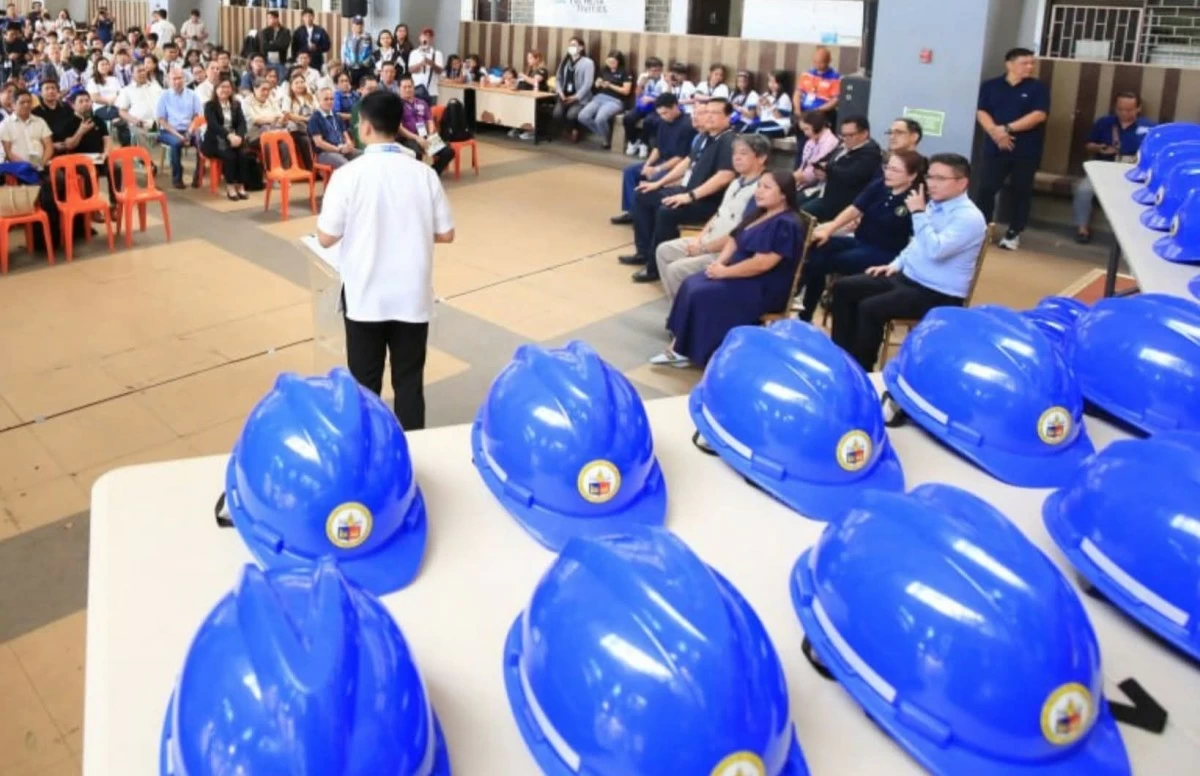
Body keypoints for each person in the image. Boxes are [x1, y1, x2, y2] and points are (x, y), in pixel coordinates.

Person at [316, 89, 455, 430]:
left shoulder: (349, 175)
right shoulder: (423, 174)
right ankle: (413, 454)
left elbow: (325, 236)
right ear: (399, 125)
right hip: (412, 297)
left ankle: (371, 453)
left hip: (365, 297)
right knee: (409, 384)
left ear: (364, 128)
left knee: (365, 387)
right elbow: (447, 233)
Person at [830, 152, 987, 371]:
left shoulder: (968, 217)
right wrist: (895, 265)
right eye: (930, 176)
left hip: (938, 292)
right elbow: (915, 245)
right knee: (844, 288)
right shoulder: (933, 205)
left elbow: (935, 250)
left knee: (870, 308)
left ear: (962, 183)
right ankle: (842, 357)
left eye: (940, 179)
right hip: (908, 277)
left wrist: (919, 213)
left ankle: (862, 369)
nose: (931, 184)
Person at [652, 172, 805, 368]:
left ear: (784, 194)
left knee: (702, 292)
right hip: (741, 272)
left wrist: (725, 273)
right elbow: (735, 237)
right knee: (692, 283)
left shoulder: (786, 224)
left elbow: (762, 264)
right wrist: (721, 263)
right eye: (759, 186)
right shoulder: (761, 213)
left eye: (767, 188)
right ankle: (683, 344)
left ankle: (686, 349)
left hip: (764, 284)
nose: (759, 192)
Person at [796, 150, 925, 321]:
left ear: (912, 175)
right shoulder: (880, 185)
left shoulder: (915, 199)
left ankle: (806, 308)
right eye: (887, 167)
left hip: (885, 251)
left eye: (895, 170)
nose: (888, 173)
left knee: (828, 261)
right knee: (817, 247)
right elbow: (855, 208)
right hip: (860, 240)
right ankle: (805, 308)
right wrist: (830, 228)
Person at [624, 99, 738, 283]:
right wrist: (658, 183)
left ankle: (655, 267)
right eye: (706, 111)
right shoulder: (704, 136)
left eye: (714, 113)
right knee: (644, 194)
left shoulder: (729, 140)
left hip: (707, 201)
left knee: (667, 211)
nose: (708, 116)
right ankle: (643, 252)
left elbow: (725, 176)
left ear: (728, 116)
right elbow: (687, 163)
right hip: (688, 191)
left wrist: (690, 196)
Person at [656, 134, 770, 302]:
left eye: (743, 153)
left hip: (727, 252)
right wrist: (698, 239)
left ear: (761, 158)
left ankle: (685, 313)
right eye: (734, 153)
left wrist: (704, 249)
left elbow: (741, 234)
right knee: (663, 250)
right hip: (709, 240)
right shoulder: (736, 182)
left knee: (675, 270)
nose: (736, 158)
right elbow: (718, 214)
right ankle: (680, 307)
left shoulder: (761, 190)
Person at [973, 47, 1049, 251]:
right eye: (1025, 63)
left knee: (1021, 190)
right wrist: (995, 133)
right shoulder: (991, 86)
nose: (1030, 67)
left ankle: (1014, 232)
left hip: (1026, 149)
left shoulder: (1037, 88)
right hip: (995, 146)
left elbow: (1039, 115)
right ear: (1009, 64)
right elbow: (982, 111)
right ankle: (983, 229)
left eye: (1032, 63)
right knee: (986, 188)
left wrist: (1006, 129)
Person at [1074, 91, 1151, 243]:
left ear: (1138, 108)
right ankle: (1082, 229)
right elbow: (1088, 145)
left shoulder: (1148, 127)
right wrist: (1099, 147)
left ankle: (1132, 237)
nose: (1123, 113)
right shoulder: (1104, 123)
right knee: (1083, 189)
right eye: (1120, 109)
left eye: (1128, 110)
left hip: (1132, 172)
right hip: (1104, 168)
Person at [611, 92, 695, 225]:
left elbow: (681, 158)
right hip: (660, 161)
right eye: (660, 113)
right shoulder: (663, 122)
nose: (663, 116)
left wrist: (656, 169)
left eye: (665, 113)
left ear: (675, 107)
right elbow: (657, 148)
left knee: (655, 179)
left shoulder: (687, 125)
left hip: (674, 166)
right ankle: (633, 212)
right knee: (630, 172)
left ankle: (644, 217)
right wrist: (648, 164)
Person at [802, 115, 883, 221]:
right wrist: (821, 169)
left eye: (850, 135)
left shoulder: (870, 154)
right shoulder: (843, 147)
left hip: (841, 202)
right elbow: (825, 160)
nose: (846, 139)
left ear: (864, 134)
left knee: (802, 214)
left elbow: (851, 175)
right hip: (823, 190)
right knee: (793, 203)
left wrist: (828, 169)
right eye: (843, 135)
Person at [201, 79, 253, 200]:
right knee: (230, 156)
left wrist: (239, 136)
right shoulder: (210, 105)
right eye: (222, 87)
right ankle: (230, 186)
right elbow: (213, 125)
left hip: (234, 138)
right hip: (215, 140)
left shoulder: (236, 104)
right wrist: (229, 136)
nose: (225, 90)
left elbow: (242, 123)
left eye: (228, 87)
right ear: (216, 89)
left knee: (244, 154)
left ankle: (240, 185)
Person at [396, 73, 452, 176]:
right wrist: (417, 138)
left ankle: (433, 172)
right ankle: (417, 176)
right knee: (416, 153)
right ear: (399, 89)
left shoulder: (422, 103)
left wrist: (430, 135)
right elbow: (399, 128)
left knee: (448, 152)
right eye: (404, 87)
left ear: (414, 87)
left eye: (410, 86)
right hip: (408, 138)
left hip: (426, 136)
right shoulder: (396, 105)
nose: (408, 89)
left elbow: (429, 120)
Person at [156, 67, 202, 188]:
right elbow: (162, 120)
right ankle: (177, 177)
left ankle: (198, 175)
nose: (177, 81)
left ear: (184, 79)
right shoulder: (164, 96)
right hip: (169, 130)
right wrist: (179, 135)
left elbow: (196, 117)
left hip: (189, 129)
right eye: (174, 79)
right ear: (169, 80)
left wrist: (189, 132)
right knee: (176, 143)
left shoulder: (192, 95)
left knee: (201, 141)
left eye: (180, 78)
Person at [577, 50, 631, 148]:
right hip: (599, 97)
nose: (611, 64)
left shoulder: (624, 72)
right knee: (583, 116)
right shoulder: (604, 70)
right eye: (609, 62)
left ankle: (606, 140)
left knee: (600, 118)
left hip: (615, 100)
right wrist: (598, 83)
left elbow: (626, 91)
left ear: (619, 62)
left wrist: (610, 85)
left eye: (613, 62)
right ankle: (605, 134)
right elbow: (596, 85)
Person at [115, 62, 162, 155]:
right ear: (132, 74)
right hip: (140, 123)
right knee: (140, 132)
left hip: (159, 122)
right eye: (139, 71)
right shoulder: (126, 90)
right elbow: (121, 111)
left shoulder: (155, 86)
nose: (142, 73)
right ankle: (147, 160)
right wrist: (135, 121)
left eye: (144, 70)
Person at [622, 56, 665, 157]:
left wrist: (652, 99)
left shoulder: (664, 80)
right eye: (653, 71)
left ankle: (644, 143)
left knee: (648, 121)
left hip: (656, 107)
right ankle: (633, 141)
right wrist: (641, 84)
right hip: (643, 105)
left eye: (659, 70)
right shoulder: (643, 76)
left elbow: (665, 98)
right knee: (628, 118)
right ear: (647, 70)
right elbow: (637, 94)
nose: (656, 73)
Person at [552, 37, 593, 142]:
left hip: (579, 98)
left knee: (572, 115)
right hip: (564, 95)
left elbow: (588, 83)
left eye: (574, 45)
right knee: (556, 114)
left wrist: (576, 97)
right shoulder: (565, 61)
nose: (571, 47)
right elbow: (558, 79)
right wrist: (560, 92)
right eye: (570, 45)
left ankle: (575, 130)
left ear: (581, 48)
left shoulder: (588, 63)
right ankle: (567, 130)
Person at [308, 86, 358, 169]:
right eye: (326, 99)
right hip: (325, 153)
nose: (329, 102)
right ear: (319, 101)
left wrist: (348, 144)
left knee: (364, 156)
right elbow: (319, 143)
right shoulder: (315, 118)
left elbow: (345, 134)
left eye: (332, 99)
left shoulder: (337, 116)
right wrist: (338, 150)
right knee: (345, 165)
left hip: (342, 148)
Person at [0, 89, 52, 168]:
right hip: (20, 168)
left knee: (60, 177)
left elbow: (49, 146)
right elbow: (8, 152)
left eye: (29, 102)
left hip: (43, 164)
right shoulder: (5, 124)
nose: (26, 105)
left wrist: (41, 164)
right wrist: (27, 166)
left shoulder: (40, 121)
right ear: (13, 105)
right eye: (22, 102)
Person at [792, 110, 838, 190]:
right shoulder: (810, 142)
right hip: (803, 183)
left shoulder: (830, 142)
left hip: (819, 186)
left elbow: (813, 173)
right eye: (803, 130)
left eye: (807, 129)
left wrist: (791, 178)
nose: (805, 133)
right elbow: (803, 165)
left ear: (817, 125)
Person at [280, 71, 316, 169]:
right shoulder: (288, 98)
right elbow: (287, 114)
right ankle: (311, 169)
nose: (300, 84)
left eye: (302, 82)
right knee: (305, 140)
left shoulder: (311, 97)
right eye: (296, 83)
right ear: (291, 86)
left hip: (312, 126)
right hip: (296, 129)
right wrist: (305, 119)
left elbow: (317, 111)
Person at [795, 46, 840, 116]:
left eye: (821, 63)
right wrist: (797, 109)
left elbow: (836, 100)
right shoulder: (806, 74)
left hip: (822, 112)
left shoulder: (835, 77)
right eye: (815, 62)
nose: (817, 65)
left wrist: (818, 110)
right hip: (803, 110)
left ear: (828, 61)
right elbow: (797, 93)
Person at [243, 76, 286, 148]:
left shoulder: (271, 99)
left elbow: (280, 115)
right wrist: (272, 119)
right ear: (255, 89)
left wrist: (280, 119)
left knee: (285, 142)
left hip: (273, 130)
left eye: (268, 90)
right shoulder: (247, 101)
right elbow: (254, 120)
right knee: (274, 142)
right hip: (255, 133)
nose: (266, 92)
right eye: (263, 89)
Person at [407, 27, 444, 105]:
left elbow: (440, 71)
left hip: (432, 91)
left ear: (432, 39)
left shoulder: (437, 53)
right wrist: (420, 64)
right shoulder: (414, 53)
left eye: (429, 36)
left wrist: (431, 63)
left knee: (431, 114)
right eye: (424, 35)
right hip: (416, 90)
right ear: (420, 37)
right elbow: (410, 70)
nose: (427, 38)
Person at [751, 71, 792, 137]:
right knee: (749, 128)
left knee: (758, 131)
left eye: (775, 82)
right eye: (770, 81)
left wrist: (769, 104)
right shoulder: (766, 95)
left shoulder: (784, 97)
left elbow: (779, 116)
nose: (771, 84)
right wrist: (758, 105)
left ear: (782, 83)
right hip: (765, 123)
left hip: (780, 125)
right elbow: (760, 115)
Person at [292, 7, 330, 72]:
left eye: (310, 16)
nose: (308, 18)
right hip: (302, 61)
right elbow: (294, 48)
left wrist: (317, 48)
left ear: (313, 17)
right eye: (306, 16)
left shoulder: (320, 30)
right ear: (302, 18)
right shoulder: (298, 31)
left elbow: (327, 45)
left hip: (316, 60)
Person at [87, 55, 121, 121]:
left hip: (117, 105)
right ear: (96, 67)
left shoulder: (114, 79)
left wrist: (116, 101)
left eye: (106, 64)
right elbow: (95, 98)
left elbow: (119, 93)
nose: (105, 66)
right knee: (121, 114)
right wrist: (109, 102)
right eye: (102, 65)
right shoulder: (92, 81)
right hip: (101, 107)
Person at [258, 11, 290, 81]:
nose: (268, 20)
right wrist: (277, 44)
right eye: (268, 18)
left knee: (281, 80)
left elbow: (284, 46)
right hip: (267, 61)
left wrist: (271, 44)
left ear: (276, 19)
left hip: (281, 62)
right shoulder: (264, 31)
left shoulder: (285, 31)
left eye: (270, 18)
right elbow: (264, 47)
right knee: (266, 80)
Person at [342, 16, 372, 88]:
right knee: (351, 87)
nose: (359, 26)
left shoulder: (368, 37)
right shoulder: (347, 37)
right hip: (351, 68)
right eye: (356, 24)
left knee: (364, 87)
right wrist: (344, 64)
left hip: (364, 68)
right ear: (352, 25)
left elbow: (373, 51)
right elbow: (343, 51)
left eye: (360, 24)